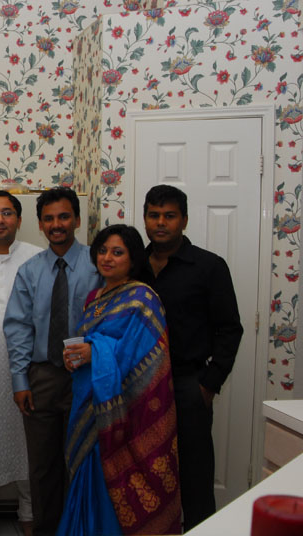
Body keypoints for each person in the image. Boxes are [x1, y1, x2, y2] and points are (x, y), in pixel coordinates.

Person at [57, 224, 181, 536]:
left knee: (116, 482)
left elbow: (139, 355)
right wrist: (77, 357)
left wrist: (95, 352)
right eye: (102, 251)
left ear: (133, 258)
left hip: (127, 410)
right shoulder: (94, 297)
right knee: (88, 476)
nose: (107, 258)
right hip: (90, 404)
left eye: (117, 252)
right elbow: (91, 343)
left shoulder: (143, 299)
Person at [138, 185, 243, 530]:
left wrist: (208, 384)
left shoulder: (208, 266)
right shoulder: (134, 265)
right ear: (145, 219)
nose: (161, 223)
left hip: (187, 385)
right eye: (154, 215)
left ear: (184, 220)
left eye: (169, 216)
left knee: (195, 477)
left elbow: (230, 329)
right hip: (139, 388)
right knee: (145, 472)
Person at [3, 187, 101, 534]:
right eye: (49, 219)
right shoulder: (30, 271)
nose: (56, 224)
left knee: (82, 461)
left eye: (63, 217)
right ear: (41, 224)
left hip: (86, 377)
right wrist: (20, 381)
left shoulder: (98, 265)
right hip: (42, 377)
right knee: (43, 467)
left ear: (77, 219)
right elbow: (18, 328)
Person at [0, 191, 41, 536]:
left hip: (25, 365)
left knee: (29, 439)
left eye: (7, 213)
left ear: (19, 219)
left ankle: (30, 512)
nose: (0, 220)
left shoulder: (37, 257)